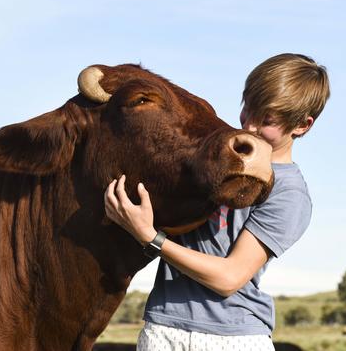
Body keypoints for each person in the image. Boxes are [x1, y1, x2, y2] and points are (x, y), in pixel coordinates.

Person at [104, 53, 330, 351]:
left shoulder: (290, 193)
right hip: (163, 329)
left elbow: (229, 277)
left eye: (267, 121)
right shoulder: (210, 157)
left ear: (302, 126)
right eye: (247, 109)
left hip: (233, 338)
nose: (248, 126)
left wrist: (149, 236)